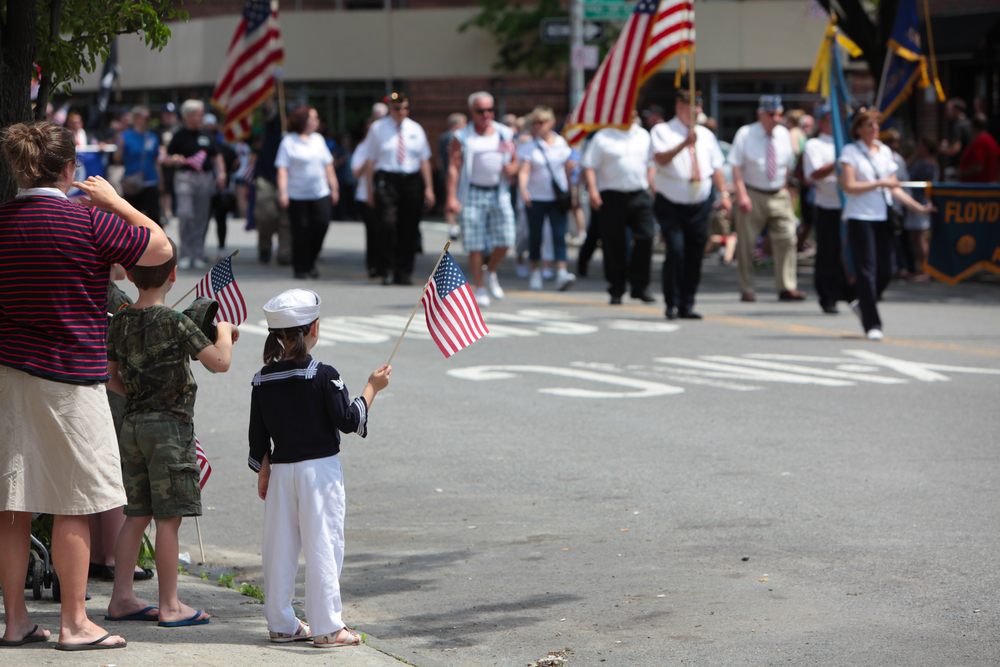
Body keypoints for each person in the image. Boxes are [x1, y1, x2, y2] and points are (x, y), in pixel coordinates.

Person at [0, 121, 171, 650]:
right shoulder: (87, 219)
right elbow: (160, 251)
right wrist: (116, 200)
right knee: (74, 501)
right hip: (70, 377)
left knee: (15, 503)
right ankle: (75, 623)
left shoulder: (2, 222)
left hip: (8, 374)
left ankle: (15, 621)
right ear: (70, 168)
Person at [104, 240, 236, 626]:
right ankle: (170, 604)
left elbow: (110, 377)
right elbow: (221, 362)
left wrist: (142, 393)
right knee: (169, 519)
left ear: (129, 274)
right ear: (174, 273)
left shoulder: (122, 319)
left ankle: (122, 598)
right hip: (169, 428)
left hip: (132, 425)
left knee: (136, 514)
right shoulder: (178, 321)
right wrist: (224, 331)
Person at [248, 289, 391, 648]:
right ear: (313, 328)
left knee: (279, 547)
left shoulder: (262, 379)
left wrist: (264, 467)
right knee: (323, 544)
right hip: (320, 472)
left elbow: (257, 435)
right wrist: (372, 389)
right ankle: (327, 627)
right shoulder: (323, 374)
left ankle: (281, 624)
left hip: (281, 472)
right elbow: (348, 419)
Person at [839, 109, 933, 340]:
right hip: (860, 216)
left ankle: (863, 300)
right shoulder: (851, 151)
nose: (874, 128)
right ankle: (873, 324)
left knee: (888, 268)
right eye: (869, 124)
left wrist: (918, 208)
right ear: (858, 129)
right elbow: (849, 186)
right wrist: (877, 183)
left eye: (876, 124)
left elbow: (895, 187)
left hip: (883, 216)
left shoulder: (885, 152)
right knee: (866, 270)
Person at [88, 265, 155, 584]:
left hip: (81, 387)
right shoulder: (116, 301)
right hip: (111, 394)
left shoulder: (82, 290)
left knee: (91, 476)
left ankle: (96, 555)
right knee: (116, 475)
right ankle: (113, 556)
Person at [650, 86, 730, 318]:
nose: (699, 110)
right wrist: (684, 143)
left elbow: (716, 167)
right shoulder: (663, 131)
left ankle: (687, 302)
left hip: (699, 204)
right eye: (694, 106)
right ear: (680, 106)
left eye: (699, 106)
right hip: (671, 203)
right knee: (676, 251)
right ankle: (671, 302)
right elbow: (660, 159)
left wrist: (723, 194)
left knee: (695, 255)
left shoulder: (705, 135)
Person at [728, 94, 805, 302]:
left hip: (778, 193)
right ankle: (747, 288)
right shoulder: (746, 133)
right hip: (753, 192)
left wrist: (787, 193)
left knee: (788, 237)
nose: (776, 118)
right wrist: (741, 195)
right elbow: (736, 166)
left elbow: (787, 166)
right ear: (760, 114)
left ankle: (787, 286)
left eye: (779, 114)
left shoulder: (784, 135)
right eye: (771, 114)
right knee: (746, 242)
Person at [445, 92, 519, 308]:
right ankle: (479, 287)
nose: (486, 114)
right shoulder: (463, 136)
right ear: (472, 112)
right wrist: (451, 197)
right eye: (481, 111)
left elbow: (515, 160)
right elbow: (453, 167)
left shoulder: (504, 133)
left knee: (507, 238)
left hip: (499, 191)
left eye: (490, 110)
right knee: (475, 244)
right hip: (472, 193)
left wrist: (512, 168)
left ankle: (491, 271)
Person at [582, 110, 655, 305]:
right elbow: (589, 165)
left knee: (646, 237)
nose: (632, 114)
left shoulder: (643, 135)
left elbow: (652, 162)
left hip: (639, 193)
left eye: (634, 111)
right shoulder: (603, 136)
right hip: (611, 195)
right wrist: (593, 190)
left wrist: (649, 183)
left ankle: (640, 286)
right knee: (613, 243)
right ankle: (617, 287)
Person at [363, 92, 435, 285]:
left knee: (409, 227)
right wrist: (369, 190)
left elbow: (424, 160)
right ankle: (386, 269)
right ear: (390, 109)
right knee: (387, 225)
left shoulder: (415, 129)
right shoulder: (378, 129)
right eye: (397, 108)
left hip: (410, 180)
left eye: (404, 108)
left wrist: (428, 188)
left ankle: (404, 272)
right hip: (387, 180)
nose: (401, 112)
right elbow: (370, 161)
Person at [276, 105, 339, 279]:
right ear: (303, 120)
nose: (317, 121)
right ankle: (301, 267)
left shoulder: (318, 139)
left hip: (319, 192)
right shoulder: (289, 141)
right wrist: (283, 192)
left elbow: (328, 166)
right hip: (297, 195)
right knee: (300, 231)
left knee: (322, 224)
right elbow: (282, 169)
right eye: (314, 118)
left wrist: (334, 188)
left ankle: (310, 260)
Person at [517, 107, 577, 291]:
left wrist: (572, 191)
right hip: (536, 197)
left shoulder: (561, 143)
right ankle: (535, 271)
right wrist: (523, 189)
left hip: (557, 198)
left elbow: (566, 170)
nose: (538, 126)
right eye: (535, 123)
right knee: (535, 236)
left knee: (559, 234)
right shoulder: (529, 146)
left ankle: (561, 272)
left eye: (541, 122)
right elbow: (524, 171)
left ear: (550, 123)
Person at [802, 103, 853, 314]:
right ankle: (828, 296)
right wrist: (837, 164)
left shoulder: (849, 144)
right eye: (831, 119)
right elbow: (812, 174)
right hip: (828, 205)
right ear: (822, 123)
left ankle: (848, 292)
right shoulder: (814, 145)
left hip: (851, 206)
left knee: (850, 251)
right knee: (828, 253)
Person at [166, 99, 226, 270]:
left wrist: (222, 173)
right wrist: (176, 159)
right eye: (199, 114)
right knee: (185, 213)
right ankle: (185, 254)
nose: (202, 117)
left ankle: (197, 254)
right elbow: (167, 158)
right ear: (188, 116)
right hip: (184, 177)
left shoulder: (207, 134)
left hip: (204, 177)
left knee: (201, 216)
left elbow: (217, 156)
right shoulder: (178, 135)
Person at [254, 97, 292, 265]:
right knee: (266, 214)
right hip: (268, 175)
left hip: (290, 179)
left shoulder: (299, 136)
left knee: (287, 220)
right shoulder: (274, 123)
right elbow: (268, 110)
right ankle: (264, 246)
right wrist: (269, 89)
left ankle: (285, 253)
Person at [116, 106, 162, 229]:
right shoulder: (125, 136)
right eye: (146, 118)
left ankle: (157, 246)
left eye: (149, 118)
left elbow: (156, 160)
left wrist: (161, 182)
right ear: (136, 118)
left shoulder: (153, 137)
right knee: (132, 219)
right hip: (132, 183)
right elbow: (117, 159)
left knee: (154, 216)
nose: (148, 121)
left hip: (151, 181)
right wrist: (120, 147)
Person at [905, 137, 939, 281]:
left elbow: (907, 173)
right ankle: (923, 268)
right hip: (918, 203)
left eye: (920, 146)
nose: (917, 149)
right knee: (917, 237)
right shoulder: (929, 162)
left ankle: (927, 271)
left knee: (920, 237)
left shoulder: (924, 163)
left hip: (920, 203)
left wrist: (913, 157)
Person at [353, 118, 382, 278]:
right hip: (365, 196)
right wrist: (369, 159)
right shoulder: (363, 147)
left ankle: (386, 265)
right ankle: (373, 266)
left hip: (385, 196)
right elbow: (356, 173)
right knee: (373, 233)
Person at [439, 112, 467, 240]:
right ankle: (460, 226)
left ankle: (452, 227)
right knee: (458, 199)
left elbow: (440, 158)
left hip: (446, 172)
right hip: (459, 174)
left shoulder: (442, 137)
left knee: (449, 199)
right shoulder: (460, 138)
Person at [958, 115, 1000, 183]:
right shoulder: (991, 140)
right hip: (990, 185)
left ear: (973, 127)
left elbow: (978, 166)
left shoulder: (980, 142)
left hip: (978, 187)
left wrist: (960, 174)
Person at [940, 98, 972, 180]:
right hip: (968, 168)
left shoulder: (958, 125)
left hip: (957, 169)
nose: (946, 112)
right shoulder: (969, 123)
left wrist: (942, 149)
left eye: (949, 109)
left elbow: (955, 149)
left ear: (957, 110)